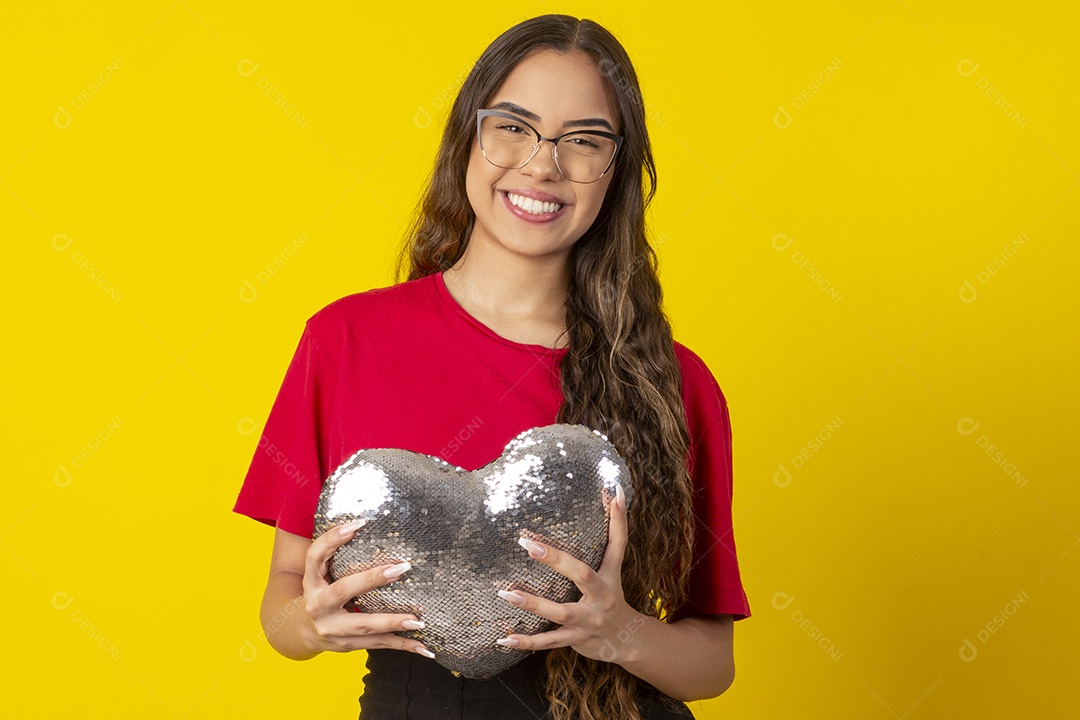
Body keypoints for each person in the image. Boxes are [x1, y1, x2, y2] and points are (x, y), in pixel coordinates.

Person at [232, 13, 751, 720]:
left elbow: (710, 664)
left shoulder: (673, 382)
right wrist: (311, 624)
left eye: (584, 141)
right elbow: (281, 606)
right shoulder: (346, 340)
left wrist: (620, 633)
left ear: (615, 172)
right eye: (514, 126)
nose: (543, 164)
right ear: (467, 139)